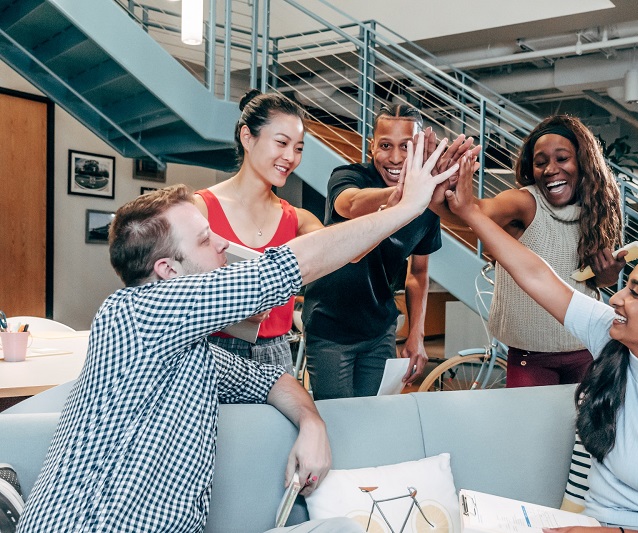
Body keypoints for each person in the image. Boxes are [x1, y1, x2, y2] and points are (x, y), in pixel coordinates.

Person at [17, 133, 458, 532]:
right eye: (205, 240)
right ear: (167, 271)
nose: (223, 244)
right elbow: (288, 267)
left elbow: (271, 380)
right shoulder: (135, 313)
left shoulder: (188, 351)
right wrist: (407, 207)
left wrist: (312, 421)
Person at [445, 153, 638, 533]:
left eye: (635, 293)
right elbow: (537, 275)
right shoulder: (613, 340)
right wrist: (469, 212)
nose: (616, 298)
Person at [431, 115, 625, 388]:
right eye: (540, 162)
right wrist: (442, 189)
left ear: (583, 163)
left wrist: (608, 275)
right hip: (530, 357)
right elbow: (475, 213)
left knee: (582, 418)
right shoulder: (524, 202)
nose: (550, 169)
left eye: (562, 158)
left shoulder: (596, 212)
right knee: (527, 418)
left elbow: (595, 283)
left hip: (586, 348)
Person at [301, 104, 473, 399]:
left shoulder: (427, 205)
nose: (394, 158)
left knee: (373, 416)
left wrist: (417, 334)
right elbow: (350, 203)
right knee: (337, 418)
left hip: (379, 330)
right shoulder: (348, 176)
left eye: (406, 146)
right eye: (385, 146)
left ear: (420, 149)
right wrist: (405, 195)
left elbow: (418, 273)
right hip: (330, 327)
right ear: (372, 146)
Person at [194, 90, 323, 371]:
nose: (290, 157)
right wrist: (234, 310)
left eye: (298, 148)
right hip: (213, 352)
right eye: (282, 143)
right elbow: (174, 292)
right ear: (247, 137)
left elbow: (345, 253)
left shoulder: (298, 220)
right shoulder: (199, 209)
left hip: (277, 354)